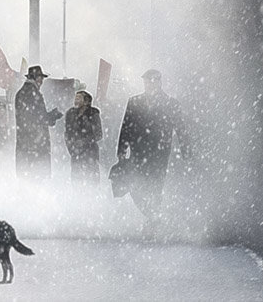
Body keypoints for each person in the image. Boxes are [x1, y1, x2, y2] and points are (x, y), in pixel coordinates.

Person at [116, 69, 190, 220]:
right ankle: (151, 215)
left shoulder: (170, 103)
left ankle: (153, 218)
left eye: (152, 81)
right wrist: (122, 148)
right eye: (146, 81)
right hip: (138, 150)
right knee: (134, 185)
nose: (149, 84)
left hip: (159, 151)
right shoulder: (134, 101)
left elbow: (180, 128)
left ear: (159, 82)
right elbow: (126, 126)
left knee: (155, 184)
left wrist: (186, 149)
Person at [14, 66, 63, 179]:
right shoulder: (33, 93)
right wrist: (52, 116)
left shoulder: (22, 92)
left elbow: (32, 117)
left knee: (26, 178)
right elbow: (39, 118)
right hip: (36, 143)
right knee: (38, 178)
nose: (42, 81)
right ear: (37, 78)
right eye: (41, 78)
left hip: (25, 142)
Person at [64, 89, 103, 185]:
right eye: (75, 98)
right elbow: (67, 133)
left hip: (90, 152)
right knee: (76, 180)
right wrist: (71, 147)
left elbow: (98, 134)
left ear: (86, 101)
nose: (76, 100)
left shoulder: (93, 114)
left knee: (91, 180)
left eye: (79, 98)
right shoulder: (70, 113)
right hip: (76, 153)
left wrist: (84, 141)